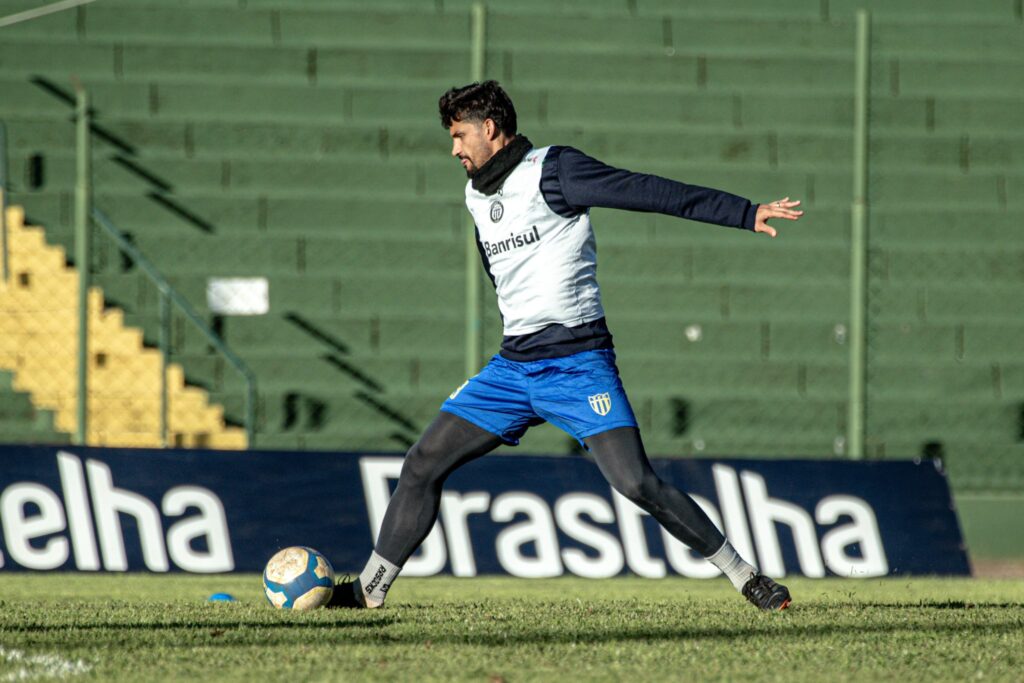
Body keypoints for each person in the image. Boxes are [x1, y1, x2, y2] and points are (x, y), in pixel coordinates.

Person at [331, 80, 803, 611]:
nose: (455, 149)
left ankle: (746, 578)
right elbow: (502, 273)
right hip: (513, 370)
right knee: (421, 463)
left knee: (637, 483)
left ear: (490, 128)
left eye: (460, 135)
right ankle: (368, 592)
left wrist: (742, 212)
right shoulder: (473, 195)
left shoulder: (556, 170)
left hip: (579, 366)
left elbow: (648, 190)